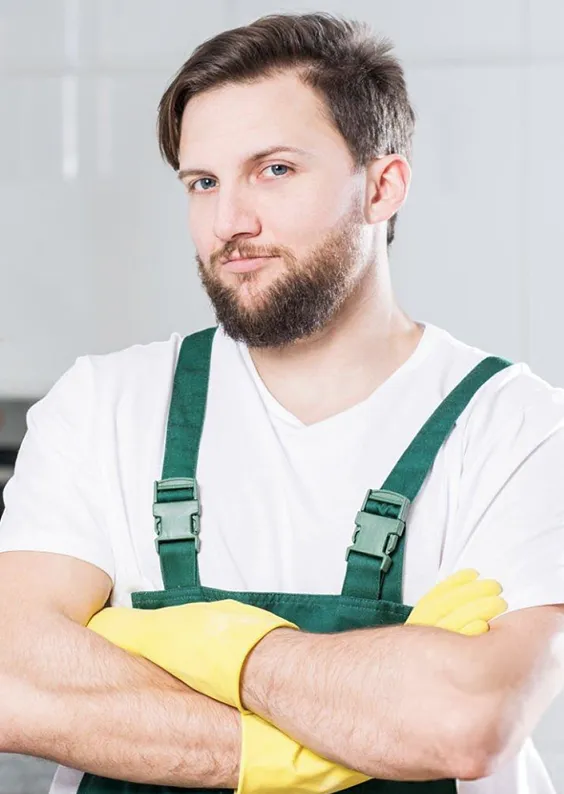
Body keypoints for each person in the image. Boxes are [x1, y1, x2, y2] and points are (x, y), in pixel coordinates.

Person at [0, 10, 563, 794]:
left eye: (274, 170)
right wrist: (327, 735)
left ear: (382, 186)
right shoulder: (102, 408)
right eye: (203, 183)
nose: (229, 223)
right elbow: (13, 679)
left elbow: (465, 723)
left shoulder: (519, 429)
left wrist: (216, 647)